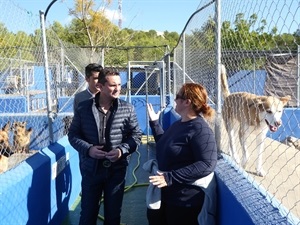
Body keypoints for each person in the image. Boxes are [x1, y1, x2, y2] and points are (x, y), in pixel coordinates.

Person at [68, 67, 142, 225]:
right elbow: (73, 135)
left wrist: (122, 151)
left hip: (116, 171)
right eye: (113, 85)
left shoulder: (127, 109)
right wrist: (89, 149)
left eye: (119, 85)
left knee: (113, 215)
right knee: (88, 214)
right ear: (100, 86)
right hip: (91, 171)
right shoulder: (83, 108)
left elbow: (136, 136)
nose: (118, 89)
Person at [146, 83, 218, 225]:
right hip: (166, 195)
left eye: (177, 97)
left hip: (183, 201)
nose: (175, 100)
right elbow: (165, 145)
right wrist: (154, 123)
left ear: (187, 102)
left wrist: (170, 177)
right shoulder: (180, 124)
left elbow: (207, 163)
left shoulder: (200, 129)